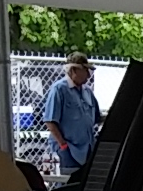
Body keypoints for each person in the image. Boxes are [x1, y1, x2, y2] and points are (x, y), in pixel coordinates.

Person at [41, 52, 101, 180]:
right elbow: (50, 121)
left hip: (87, 150)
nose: (89, 75)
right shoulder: (59, 89)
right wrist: (62, 144)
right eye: (85, 70)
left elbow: (97, 117)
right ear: (74, 70)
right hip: (68, 152)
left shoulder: (87, 91)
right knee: (66, 184)